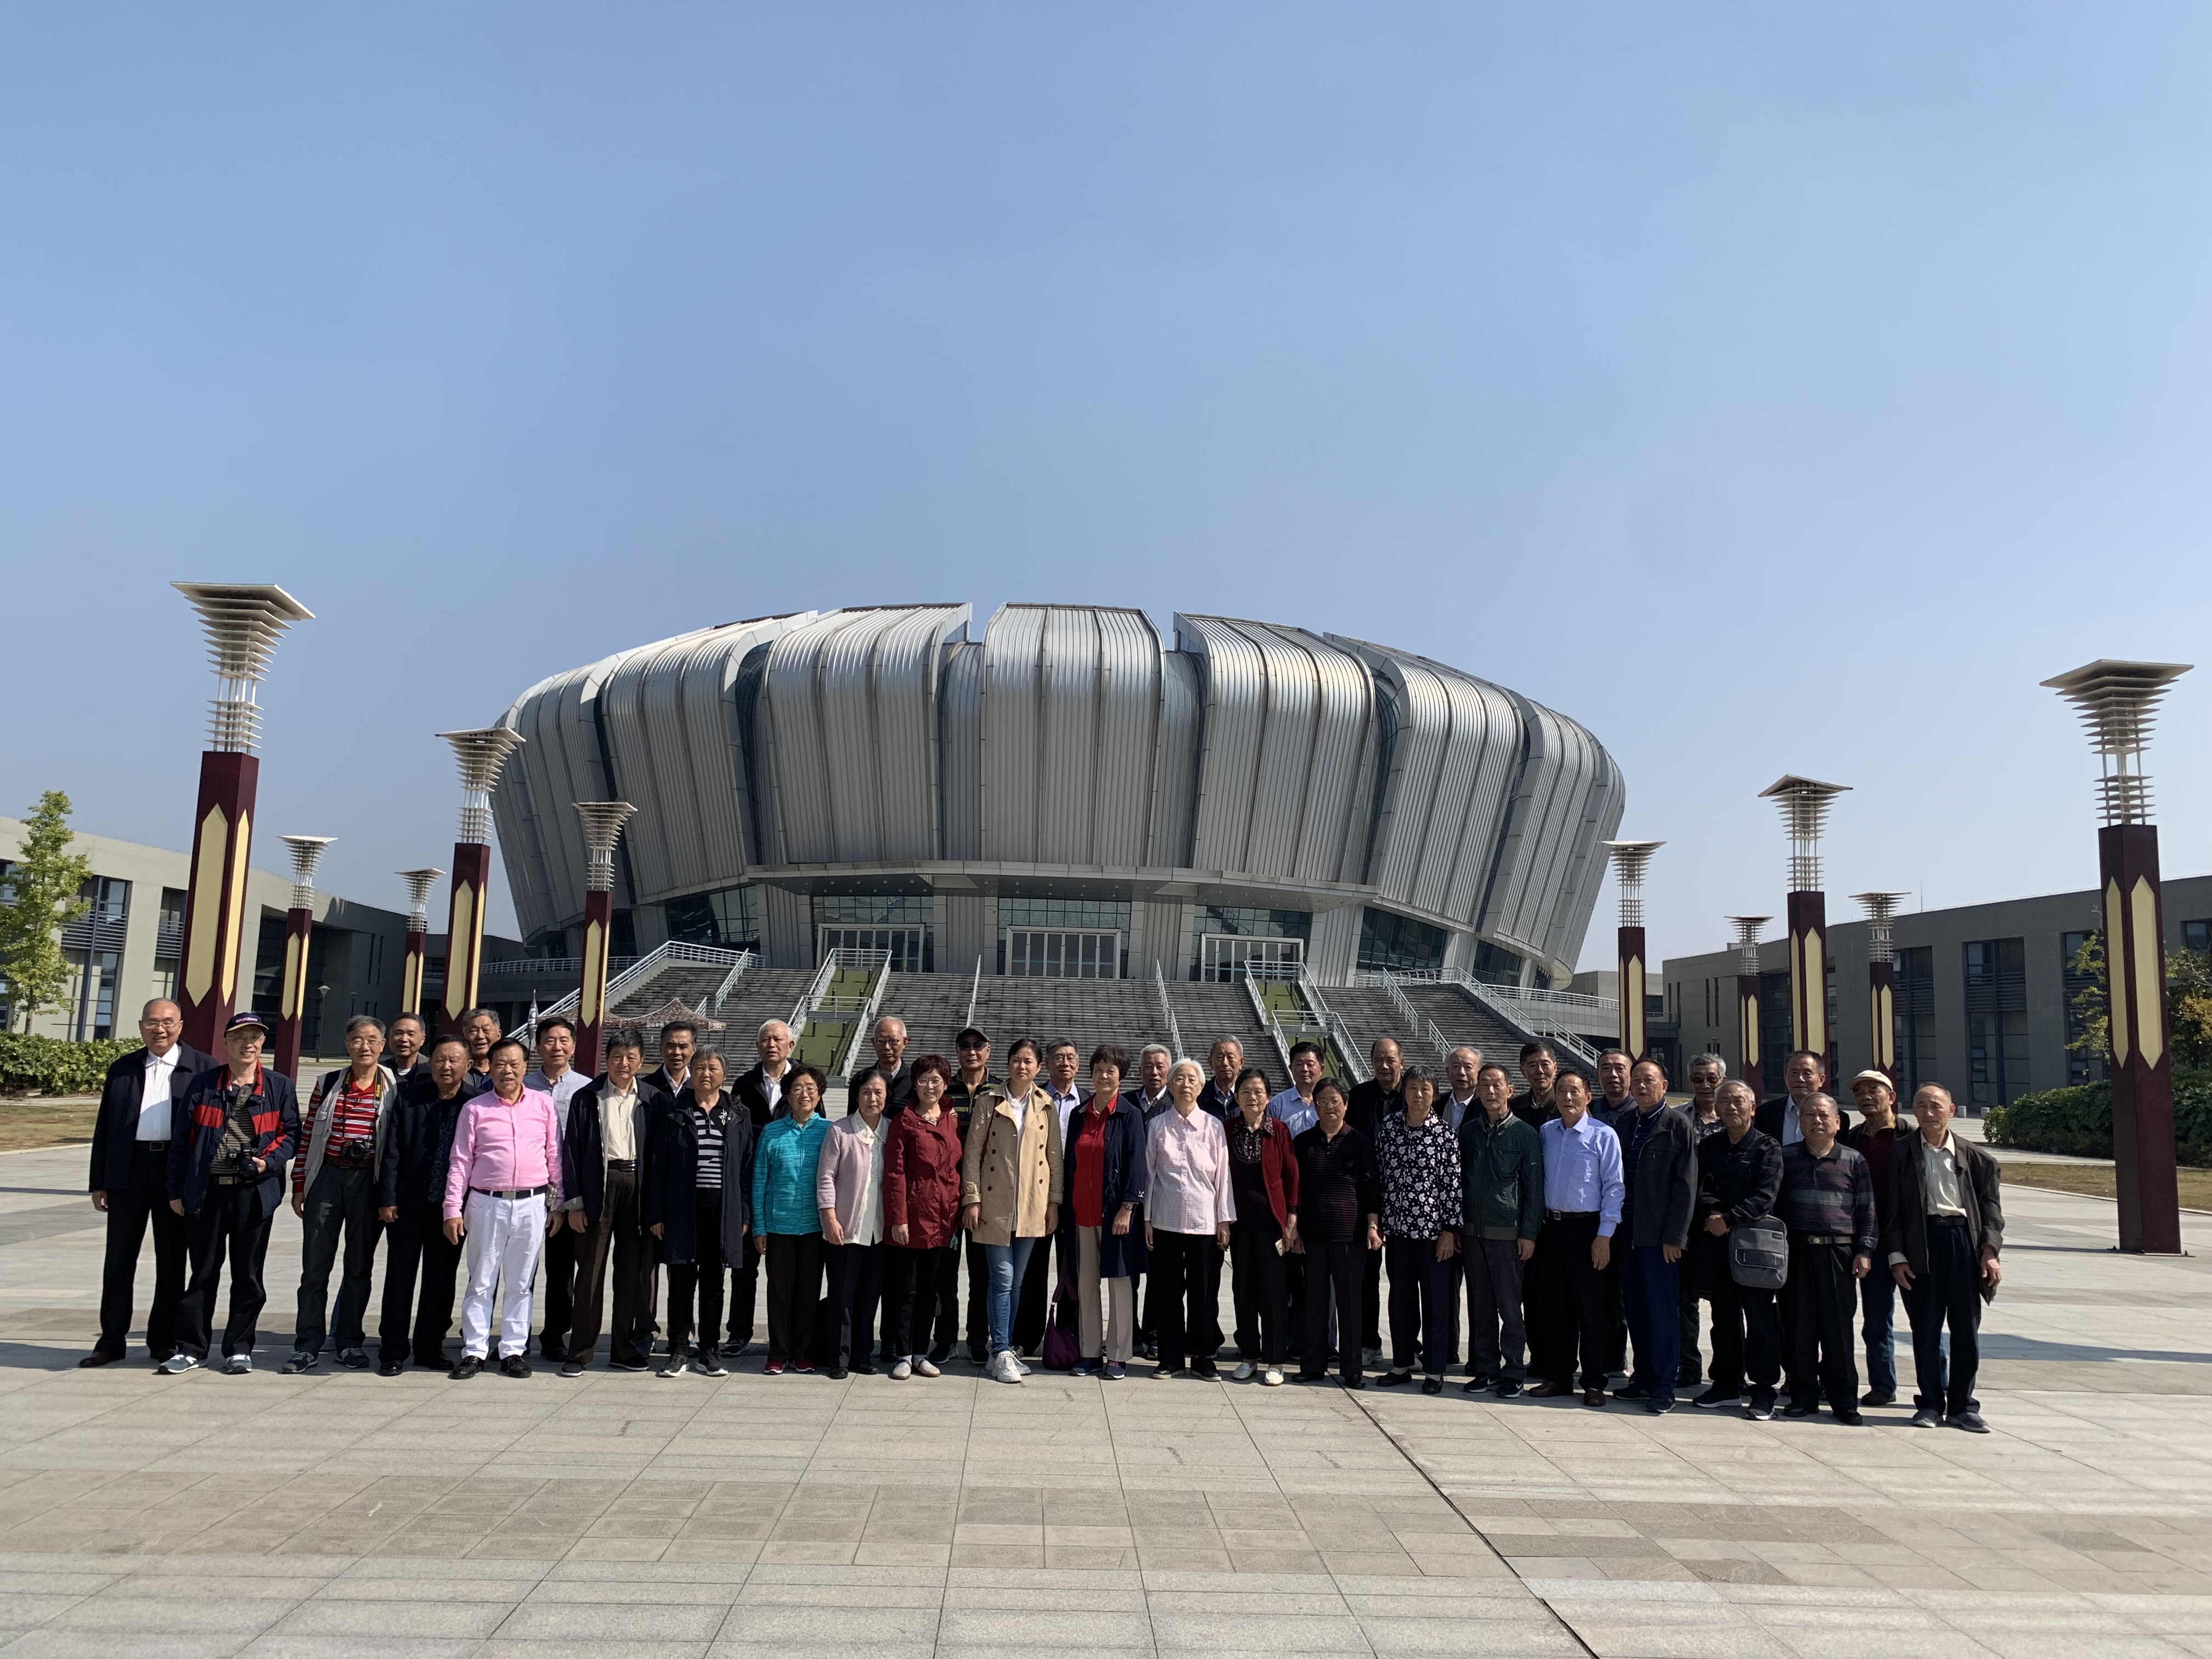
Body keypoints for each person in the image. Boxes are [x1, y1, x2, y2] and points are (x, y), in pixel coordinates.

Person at [160, 1012, 301, 1375]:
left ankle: (239, 1348)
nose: (247, 1044)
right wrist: (176, 1190)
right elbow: (182, 1141)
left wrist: (267, 1162)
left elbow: (290, 1135)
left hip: (254, 1194)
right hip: (207, 1192)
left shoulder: (279, 1086)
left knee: (248, 1276)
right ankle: (191, 1348)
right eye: (239, 1037)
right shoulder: (204, 1084)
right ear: (226, 1042)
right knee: (203, 1273)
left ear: (262, 1043)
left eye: (254, 1037)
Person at [83, 998, 211, 1368]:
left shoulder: (201, 1068)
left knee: (172, 1258)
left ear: (181, 1026)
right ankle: (111, 1340)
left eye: (168, 1022)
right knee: (119, 1257)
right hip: (129, 1169)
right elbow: (105, 1127)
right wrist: (99, 1181)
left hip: (174, 1169)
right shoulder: (123, 1068)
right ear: (141, 1026)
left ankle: (163, 1340)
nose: (160, 1029)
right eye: (152, 1022)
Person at [442, 1036, 562, 1379]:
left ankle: (513, 1350)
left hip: (532, 1203)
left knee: (521, 1283)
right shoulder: (475, 1109)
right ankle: (474, 1350)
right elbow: (461, 1161)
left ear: (525, 1067)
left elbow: (554, 1155)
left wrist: (560, 1203)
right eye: (500, 1064)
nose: (507, 1071)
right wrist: (452, 1208)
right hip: (486, 1203)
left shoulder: (543, 1105)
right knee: (481, 1280)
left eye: (514, 1064)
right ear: (490, 1068)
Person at [1886, 1084, 2004, 1434]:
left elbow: (1991, 1211)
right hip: (1922, 1244)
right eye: (1921, 1105)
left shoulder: (1978, 1158)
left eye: (1936, 1105)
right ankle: (1930, 1403)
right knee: (1925, 1329)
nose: (1928, 1112)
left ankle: (1963, 1406)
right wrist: (1897, 1256)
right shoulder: (1901, 1153)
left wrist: (1990, 1252)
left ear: (1951, 1110)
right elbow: (1891, 1209)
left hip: (1963, 1243)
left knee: (1966, 1329)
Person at [283, 1015, 397, 1373]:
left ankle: (349, 1342)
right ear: (347, 1045)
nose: (365, 1046)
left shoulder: (393, 1087)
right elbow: (308, 1137)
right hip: (328, 1177)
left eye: (372, 1040)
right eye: (357, 1039)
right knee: (315, 1267)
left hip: (368, 1181)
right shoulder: (329, 1082)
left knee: (358, 1267)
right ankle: (307, 1344)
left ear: (382, 1046)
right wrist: (299, 1184)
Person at [560, 1031, 670, 1375]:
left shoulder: (653, 1099)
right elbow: (572, 1152)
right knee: (589, 1273)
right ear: (606, 1059)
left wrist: (657, 1208)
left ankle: (624, 1349)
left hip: (637, 1188)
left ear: (642, 1061)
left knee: (631, 1273)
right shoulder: (587, 1097)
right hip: (599, 1186)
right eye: (617, 1057)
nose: (624, 1064)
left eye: (631, 1057)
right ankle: (580, 1351)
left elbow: (661, 1158)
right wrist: (575, 1204)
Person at [961, 1038, 1063, 1384]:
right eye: (1017, 1060)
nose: (1022, 1066)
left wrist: (1054, 1202)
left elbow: (1054, 1158)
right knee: (1001, 1279)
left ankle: (1001, 1351)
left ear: (1039, 1067)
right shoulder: (989, 1101)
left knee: (1016, 1282)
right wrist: (972, 1198)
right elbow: (972, 1154)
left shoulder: (1046, 1104)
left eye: (1029, 1061)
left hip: (1032, 1204)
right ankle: (1002, 1349)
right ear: (1008, 1064)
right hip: (995, 1204)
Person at [646, 1049, 750, 1379]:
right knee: (680, 1281)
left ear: (725, 1074)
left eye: (713, 1068)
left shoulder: (737, 1114)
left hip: (722, 1211)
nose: (706, 1073)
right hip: (682, 1209)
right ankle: (678, 1349)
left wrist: (744, 1214)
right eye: (700, 1067)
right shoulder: (675, 1110)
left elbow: (745, 1169)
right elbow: (658, 1165)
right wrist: (657, 1213)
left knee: (714, 1283)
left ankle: (709, 1351)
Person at [375, 1035, 475, 1375]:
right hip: (408, 1204)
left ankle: (430, 1348)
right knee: (399, 1277)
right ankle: (393, 1349)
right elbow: (392, 1152)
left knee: (441, 1278)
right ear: (429, 1064)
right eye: (440, 1060)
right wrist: (388, 1198)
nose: (446, 1066)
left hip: (451, 1209)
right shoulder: (409, 1098)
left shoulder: (475, 1103)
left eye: (454, 1061)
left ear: (468, 1066)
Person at [1526, 1072, 1622, 1407]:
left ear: (1588, 1096)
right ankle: (1559, 1376)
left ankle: (1594, 1381)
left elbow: (1614, 1187)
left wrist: (1604, 1235)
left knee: (1592, 1309)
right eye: (1562, 1091)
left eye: (1575, 1091)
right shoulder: (1546, 1132)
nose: (1568, 1097)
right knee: (1554, 1307)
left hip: (1589, 1230)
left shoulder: (1603, 1135)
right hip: (1552, 1229)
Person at [1776, 1094, 1874, 1424]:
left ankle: (1844, 1401)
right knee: (1799, 1328)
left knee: (1838, 1331)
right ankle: (1803, 1396)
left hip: (1839, 1253)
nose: (1816, 1121)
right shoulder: (1786, 1157)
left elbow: (1866, 1210)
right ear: (1800, 1121)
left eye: (1823, 1116)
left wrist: (1865, 1251)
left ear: (1837, 1122)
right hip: (1797, 1251)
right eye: (1809, 1115)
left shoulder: (1854, 1160)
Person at [1690, 1081, 1784, 1418]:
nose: (1732, 1106)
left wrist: (1729, 1219)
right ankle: (1727, 1384)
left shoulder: (1767, 1147)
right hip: (1717, 1246)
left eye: (1739, 1101)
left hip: (1754, 1246)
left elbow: (1766, 1196)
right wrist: (1713, 1212)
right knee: (1723, 1317)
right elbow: (1699, 1188)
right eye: (1725, 1101)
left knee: (1760, 1320)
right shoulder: (1708, 1147)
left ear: (1753, 1108)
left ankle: (1763, 1390)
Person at [1612, 1059, 1699, 1414]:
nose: (1642, 1086)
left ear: (1664, 1085)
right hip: (1626, 1233)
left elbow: (1686, 1187)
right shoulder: (1625, 1122)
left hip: (1659, 1239)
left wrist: (1675, 1237)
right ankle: (1643, 1378)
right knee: (1636, 1311)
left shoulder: (1677, 1125)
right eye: (1637, 1081)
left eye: (1649, 1080)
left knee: (1662, 1313)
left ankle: (1663, 1387)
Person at [1060, 1046, 1145, 1379]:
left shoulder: (1129, 1114)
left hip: (1115, 1217)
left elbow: (1137, 1165)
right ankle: (1090, 1353)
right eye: (1098, 1069)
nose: (1104, 1075)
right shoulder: (1080, 1114)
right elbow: (1070, 1165)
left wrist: (1128, 1208)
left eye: (1111, 1070)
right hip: (1082, 1214)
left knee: (1120, 1284)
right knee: (1086, 1285)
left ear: (1121, 1075)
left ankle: (1119, 1355)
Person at [1146, 1058, 1234, 1380]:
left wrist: (1224, 1220)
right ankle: (1170, 1358)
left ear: (1201, 1087)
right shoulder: (1157, 1126)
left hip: (1204, 1222)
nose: (1185, 1084)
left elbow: (1223, 1176)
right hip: (1165, 1221)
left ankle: (1202, 1355)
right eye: (1179, 1079)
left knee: (1204, 1293)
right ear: (1170, 1086)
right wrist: (1147, 1219)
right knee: (1168, 1292)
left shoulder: (1213, 1126)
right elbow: (1150, 1174)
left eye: (1192, 1079)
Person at [1458, 1061, 1542, 1397]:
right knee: (1481, 1307)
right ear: (1477, 1091)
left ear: (1510, 1091)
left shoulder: (1525, 1134)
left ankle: (1515, 1370)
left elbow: (1534, 1188)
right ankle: (1487, 1369)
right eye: (1485, 1085)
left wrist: (1529, 1233)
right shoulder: (1468, 1133)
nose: (1491, 1091)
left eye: (1497, 1085)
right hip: (1472, 1233)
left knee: (1510, 1308)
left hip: (1508, 1234)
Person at [1290, 1076, 1379, 1389]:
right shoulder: (1303, 1142)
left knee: (1350, 1303)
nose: (1329, 1107)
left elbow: (1370, 1188)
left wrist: (1372, 1226)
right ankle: (1312, 1365)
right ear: (1314, 1107)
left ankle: (1352, 1369)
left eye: (1335, 1101)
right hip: (1313, 1235)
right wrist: (1295, 1230)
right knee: (1314, 1302)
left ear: (1346, 1104)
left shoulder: (1360, 1141)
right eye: (1322, 1102)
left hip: (1350, 1235)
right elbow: (1296, 1189)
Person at [1375, 1068, 1459, 1393]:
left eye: (1425, 1089)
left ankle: (1435, 1371)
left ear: (1434, 1095)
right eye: (1413, 1088)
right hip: (1397, 1232)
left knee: (1436, 1302)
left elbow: (1452, 1187)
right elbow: (1380, 1175)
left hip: (1432, 1234)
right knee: (1401, 1300)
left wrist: (1449, 1231)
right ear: (1404, 1093)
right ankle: (1401, 1364)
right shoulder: (1389, 1128)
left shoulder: (1444, 1134)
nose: (1419, 1095)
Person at [882, 1055, 963, 1379]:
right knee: (907, 1290)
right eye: (924, 1080)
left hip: (944, 1216)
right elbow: (895, 1173)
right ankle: (902, 1354)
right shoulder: (904, 1121)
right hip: (913, 1214)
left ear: (945, 1085)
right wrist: (898, 1218)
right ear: (915, 1085)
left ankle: (920, 1352)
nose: (931, 1086)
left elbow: (954, 1167)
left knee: (931, 1290)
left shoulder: (949, 1118)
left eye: (937, 1080)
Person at [752, 1064, 831, 1374]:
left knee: (808, 1292)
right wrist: (759, 1227)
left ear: (820, 1094)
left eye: (811, 1088)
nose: (804, 1094)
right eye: (797, 1088)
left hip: (814, 1227)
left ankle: (802, 1352)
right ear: (787, 1095)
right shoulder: (772, 1132)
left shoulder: (830, 1132)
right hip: (779, 1226)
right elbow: (760, 1181)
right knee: (779, 1293)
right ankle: (778, 1352)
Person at [727, 1018, 796, 1357]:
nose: (772, 1045)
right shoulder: (744, 1084)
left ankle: (789, 1336)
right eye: (766, 1040)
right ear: (758, 1046)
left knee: (787, 1272)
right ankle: (739, 1333)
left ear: (790, 1046)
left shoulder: (803, 1081)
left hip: (788, 1190)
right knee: (744, 1267)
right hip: (750, 1182)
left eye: (778, 1040)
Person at [1223, 1064, 1296, 1386]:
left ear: (1268, 1097)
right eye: (1246, 1092)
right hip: (1240, 1226)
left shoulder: (1278, 1130)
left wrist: (1292, 1218)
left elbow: (1292, 1175)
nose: (1252, 1097)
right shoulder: (1227, 1129)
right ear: (1237, 1098)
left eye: (1258, 1092)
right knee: (1243, 1290)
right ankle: (1249, 1356)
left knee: (1274, 1292)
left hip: (1272, 1225)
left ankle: (1275, 1360)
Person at [1014, 1039, 1086, 1357]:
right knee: (1033, 1268)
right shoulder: (1033, 1097)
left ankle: (1069, 1334)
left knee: (1073, 1269)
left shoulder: (1088, 1101)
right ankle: (1026, 1336)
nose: (1065, 1063)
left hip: (1076, 1197)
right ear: (1046, 1064)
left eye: (1071, 1058)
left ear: (1078, 1065)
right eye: (1058, 1057)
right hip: (1037, 1194)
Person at [817, 1068, 891, 1379]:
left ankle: (862, 1355)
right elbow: (826, 1177)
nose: (873, 1098)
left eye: (878, 1092)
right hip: (846, 1229)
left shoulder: (891, 1131)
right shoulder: (841, 1131)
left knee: (869, 1297)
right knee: (841, 1297)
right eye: (866, 1092)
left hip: (879, 1232)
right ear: (856, 1096)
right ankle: (838, 1357)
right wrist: (829, 1216)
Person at [526, 1015, 591, 1362]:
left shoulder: (586, 1088)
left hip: (567, 1190)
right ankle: (515, 1335)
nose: (557, 1047)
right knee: (519, 1267)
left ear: (574, 1046)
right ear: (538, 1046)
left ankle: (554, 1334)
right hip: (526, 1187)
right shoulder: (522, 1085)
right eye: (550, 1040)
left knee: (561, 1268)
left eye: (564, 1040)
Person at [1844, 1069, 1905, 1407]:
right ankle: (1883, 1384)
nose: (1866, 1097)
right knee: (1876, 1319)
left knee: (1925, 1320)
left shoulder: (1910, 1136)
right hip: (1868, 1238)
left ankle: (1936, 1390)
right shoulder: (1851, 1139)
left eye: (1874, 1091)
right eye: (1859, 1092)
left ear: (1891, 1097)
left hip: (1907, 1239)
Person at [1346, 1037, 1406, 1367]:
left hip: (1406, 1200)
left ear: (1401, 1062)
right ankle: (1368, 1342)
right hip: (1366, 1197)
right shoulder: (1357, 1097)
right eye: (1379, 1060)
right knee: (1366, 1277)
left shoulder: (1415, 1092)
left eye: (1391, 1059)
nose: (1385, 1066)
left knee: (1405, 1277)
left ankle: (1410, 1345)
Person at [1677, 1054, 1728, 1388]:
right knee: (1684, 1301)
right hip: (1686, 1223)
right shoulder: (1677, 1118)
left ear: (1722, 1079)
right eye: (1698, 1079)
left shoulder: (1735, 1115)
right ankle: (1688, 1366)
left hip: (1724, 1223)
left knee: (1726, 1302)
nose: (1705, 1085)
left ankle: (1728, 1370)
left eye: (1712, 1079)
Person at [1122, 1040, 1175, 1361]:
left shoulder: (1177, 1103)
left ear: (1169, 1070)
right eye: (1148, 1067)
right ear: (1139, 1071)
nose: (1154, 1072)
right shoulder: (1126, 1102)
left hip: (1163, 1200)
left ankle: (1154, 1333)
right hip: (1129, 1199)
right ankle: (1129, 1334)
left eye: (1160, 1066)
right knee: (1128, 1273)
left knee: (1159, 1273)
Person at [946, 1026, 996, 1365]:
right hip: (948, 1193)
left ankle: (978, 1338)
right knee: (945, 1274)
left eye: (978, 1045)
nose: (972, 1051)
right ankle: (945, 1338)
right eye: (965, 1045)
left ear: (988, 1051)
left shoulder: (1000, 1091)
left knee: (982, 1275)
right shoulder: (943, 1089)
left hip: (985, 1193)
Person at [1759, 1049, 1850, 1146]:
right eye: (1794, 1073)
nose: (1800, 1079)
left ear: (1821, 1080)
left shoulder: (1838, 1117)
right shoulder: (1765, 1113)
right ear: (1785, 1077)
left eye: (1807, 1073)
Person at [864, 1015, 915, 1110]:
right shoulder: (861, 1080)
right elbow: (853, 1118)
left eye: (893, 1041)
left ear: (905, 1042)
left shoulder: (915, 1081)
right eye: (881, 1041)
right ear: (873, 1043)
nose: (887, 1047)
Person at [1508, 1043, 1561, 1127]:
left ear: (1555, 1068)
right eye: (1533, 1066)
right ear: (1523, 1071)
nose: (1540, 1071)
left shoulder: (1566, 1104)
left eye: (1545, 1064)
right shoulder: (1513, 1107)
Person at [1438, 1047, 1483, 1134]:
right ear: (1448, 1072)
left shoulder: (1486, 1106)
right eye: (1456, 1067)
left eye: (1468, 1067)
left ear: (1479, 1074)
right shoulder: (1436, 1103)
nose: (1462, 1073)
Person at [647, 1019, 697, 1097]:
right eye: (671, 1046)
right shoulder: (646, 1087)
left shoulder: (700, 1088)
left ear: (694, 1050)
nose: (676, 1052)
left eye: (683, 1047)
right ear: (661, 1048)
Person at [1199, 1037, 1245, 1120]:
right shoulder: (1199, 1095)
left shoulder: (1250, 1096)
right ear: (1210, 1062)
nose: (1225, 1063)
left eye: (1231, 1058)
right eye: (1219, 1058)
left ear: (1241, 1063)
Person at [459, 1008, 501, 1090]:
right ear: (464, 1036)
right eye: (473, 1031)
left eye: (486, 1030)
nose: (480, 1036)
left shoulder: (507, 1071)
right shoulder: (457, 1071)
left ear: (498, 1035)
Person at [383, 1014, 428, 1084]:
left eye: (411, 1034)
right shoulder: (379, 1071)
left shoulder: (433, 1070)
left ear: (423, 1039)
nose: (404, 1039)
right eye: (398, 1033)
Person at [1593, 1049, 1633, 1127]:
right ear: (1598, 1075)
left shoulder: (1641, 1111)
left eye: (1620, 1068)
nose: (1613, 1074)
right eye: (1606, 1068)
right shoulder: (1587, 1111)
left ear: (1632, 1075)